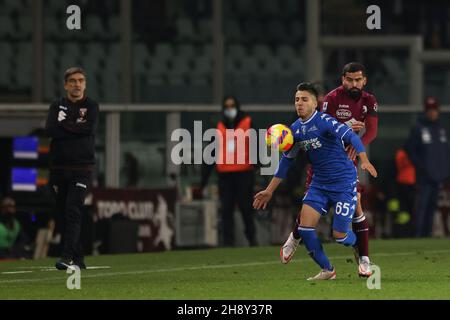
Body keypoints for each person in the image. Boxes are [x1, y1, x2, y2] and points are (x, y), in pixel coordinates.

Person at [254, 83, 377, 280]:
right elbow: (286, 162)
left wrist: (363, 159)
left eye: (304, 99)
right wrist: (269, 190)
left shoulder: (325, 121)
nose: (299, 104)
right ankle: (328, 270)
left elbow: (351, 137)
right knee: (304, 228)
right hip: (319, 184)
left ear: (314, 103)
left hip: (343, 182)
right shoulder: (294, 131)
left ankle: (357, 246)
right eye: (296, 100)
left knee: (340, 236)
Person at [283, 62, 378, 277]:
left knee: (357, 208)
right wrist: (346, 131)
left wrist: (356, 146)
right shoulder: (332, 100)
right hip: (322, 161)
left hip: (347, 161)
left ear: (364, 81)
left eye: (358, 80)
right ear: (343, 79)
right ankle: (295, 238)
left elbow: (371, 131)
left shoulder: (369, 100)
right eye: (349, 79)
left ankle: (363, 257)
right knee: (310, 206)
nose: (354, 83)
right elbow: (324, 127)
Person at [45, 67, 99, 270]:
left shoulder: (92, 106)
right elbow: (50, 129)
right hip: (58, 167)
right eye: (73, 81)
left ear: (85, 84)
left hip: (81, 168)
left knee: (73, 210)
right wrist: (75, 127)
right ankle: (79, 258)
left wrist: (64, 127)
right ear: (66, 84)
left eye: (81, 80)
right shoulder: (56, 105)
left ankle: (66, 257)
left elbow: (89, 129)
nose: (77, 84)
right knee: (62, 214)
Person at [201, 95, 257, 247]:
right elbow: (210, 154)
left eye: (232, 106)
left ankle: (252, 239)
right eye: (227, 107)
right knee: (226, 211)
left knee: (246, 209)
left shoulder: (248, 123)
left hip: (244, 174)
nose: (230, 110)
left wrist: (259, 170)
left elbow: (256, 149)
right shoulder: (218, 126)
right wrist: (203, 182)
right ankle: (228, 243)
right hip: (225, 176)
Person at [405, 97, 449, 237]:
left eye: (434, 110)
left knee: (432, 206)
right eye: (430, 110)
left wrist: (444, 170)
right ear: (426, 112)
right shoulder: (419, 128)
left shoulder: (442, 129)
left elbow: (445, 152)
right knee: (422, 206)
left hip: (438, 176)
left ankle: (427, 234)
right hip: (424, 176)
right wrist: (422, 167)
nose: (432, 113)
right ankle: (418, 234)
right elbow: (410, 150)